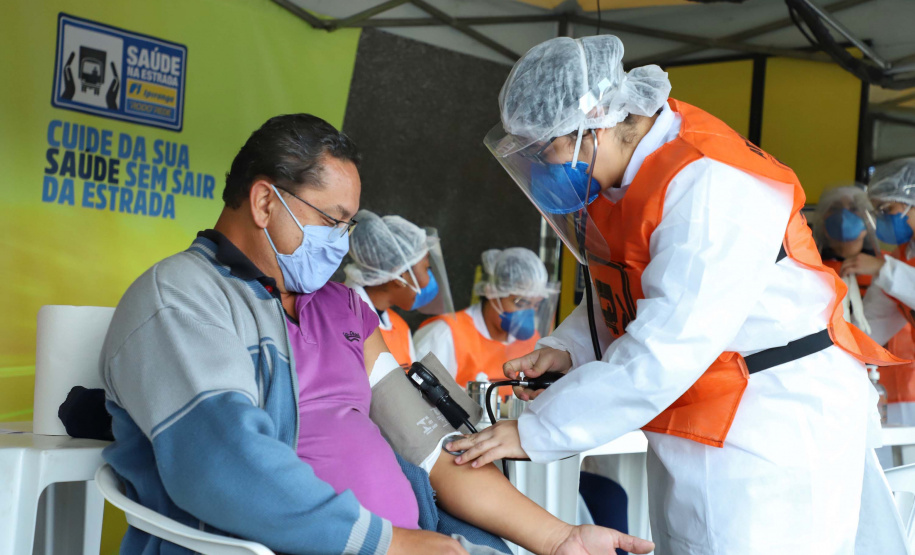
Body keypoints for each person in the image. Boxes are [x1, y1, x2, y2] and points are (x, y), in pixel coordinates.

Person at [100, 113, 652, 555]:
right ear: (266, 202)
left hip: (418, 536)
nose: (341, 243)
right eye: (331, 221)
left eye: (349, 226)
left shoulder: (341, 309)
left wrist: (560, 539)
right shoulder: (183, 298)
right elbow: (224, 467)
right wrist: (389, 544)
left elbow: (430, 448)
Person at [447, 35, 907, 554]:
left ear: (594, 121)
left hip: (771, 424)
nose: (539, 168)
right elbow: (622, 285)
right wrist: (569, 348)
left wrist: (535, 432)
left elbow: (668, 343)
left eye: (542, 149)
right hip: (702, 411)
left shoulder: (710, 183)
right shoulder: (621, 179)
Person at [415, 248, 556, 389]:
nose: (529, 312)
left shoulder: (532, 341)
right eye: (520, 303)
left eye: (536, 305)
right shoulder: (445, 334)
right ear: (492, 292)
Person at [344, 210, 449, 367]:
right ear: (400, 275)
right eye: (426, 268)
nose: (429, 280)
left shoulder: (399, 327)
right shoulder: (342, 320)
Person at [856, 158, 915, 424]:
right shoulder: (902, 258)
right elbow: (871, 326)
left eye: (887, 208)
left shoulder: (892, 266)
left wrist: (883, 268)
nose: (883, 217)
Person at [812, 185, 877, 333]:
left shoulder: (887, 265)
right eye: (835, 209)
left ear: (869, 221)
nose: (843, 215)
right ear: (822, 223)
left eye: (854, 208)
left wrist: (883, 270)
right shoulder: (810, 269)